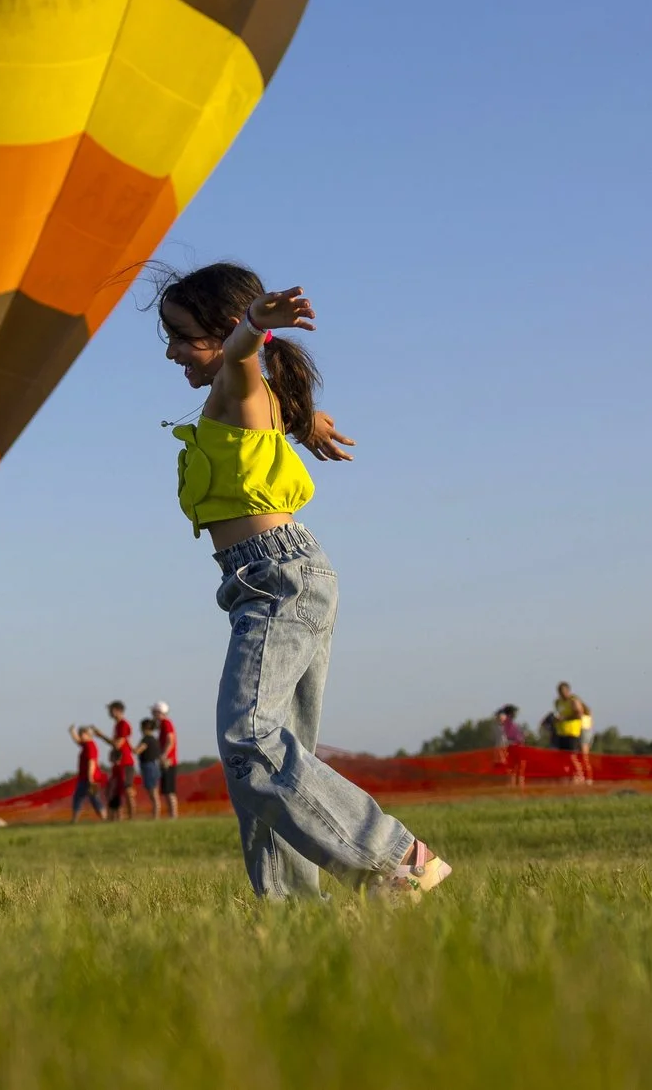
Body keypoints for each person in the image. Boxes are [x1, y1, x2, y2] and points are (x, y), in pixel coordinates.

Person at [156, 264, 450, 899]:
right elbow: (264, 407)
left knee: (249, 738)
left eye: (181, 336)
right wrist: (306, 421)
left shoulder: (239, 374)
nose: (173, 352)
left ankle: (396, 858)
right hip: (263, 582)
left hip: (278, 578)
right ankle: (292, 919)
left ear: (224, 329)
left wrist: (253, 328)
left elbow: (241, 356)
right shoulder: (243, 398)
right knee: (266, 759)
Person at [103, 700, 137, 821]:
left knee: (127, 790)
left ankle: (132, 817)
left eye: (111, 710)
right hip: (118, 763)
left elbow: (118, 744)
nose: (109, 713)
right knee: (115, 791)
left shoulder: (123, 724)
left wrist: (100, 735)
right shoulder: (117, 725)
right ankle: (118, 817)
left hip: (126, 763)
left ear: (117, 711)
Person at [552, 683, 593, 783]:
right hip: (565, 731)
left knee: (582, 755)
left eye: (563, 692)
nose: (562, 694)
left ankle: (586, 777)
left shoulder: (574, 701)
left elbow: (579, 714)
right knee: (566, 756)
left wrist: (564, 718)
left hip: (582, 729)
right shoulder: (558, 702)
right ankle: (574, 777)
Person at [67, 724, 107, 823]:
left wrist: (90, 778)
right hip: (85, 778)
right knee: (79, 798)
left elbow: (91, 762)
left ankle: (104, 818)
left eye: (81, 734)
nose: (80, 736)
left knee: (94, 799)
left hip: (90, 779)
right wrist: (72, 732)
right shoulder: (86, 745)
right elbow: (78, 741)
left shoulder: (90, 746)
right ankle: (74, 820)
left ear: (87, 734)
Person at [147, 700, 181, 819]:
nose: (152, 714)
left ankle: (174, 815)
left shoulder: (166, 723)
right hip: (167, 760)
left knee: (169, 790)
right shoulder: (163, 724)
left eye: (154, 712)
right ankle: (172, 815)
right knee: (166, 790)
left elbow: (170, 740)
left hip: (169, 761)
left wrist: (164, 755)